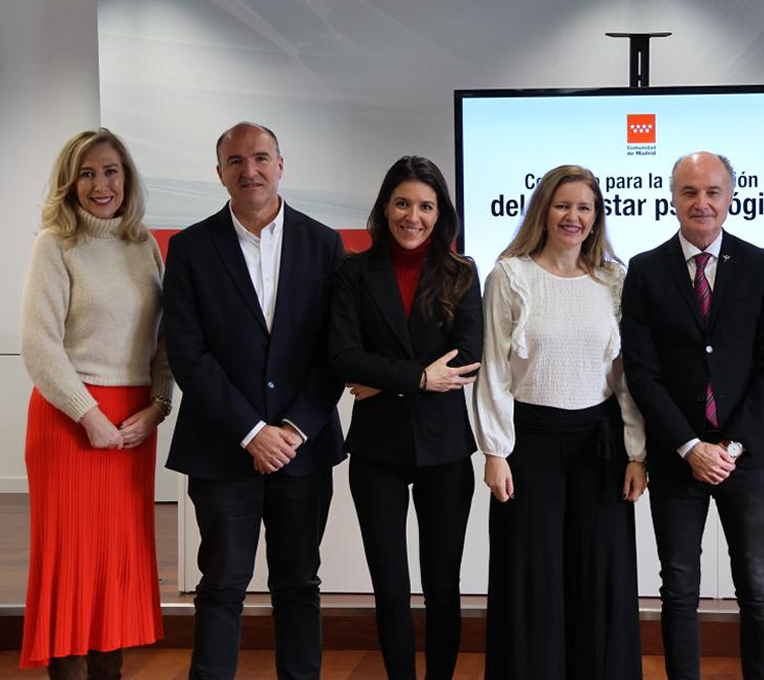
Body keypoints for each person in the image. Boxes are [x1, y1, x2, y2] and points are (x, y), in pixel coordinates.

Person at [162, 122, 346, 680]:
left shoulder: (324, 243)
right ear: (220, 173)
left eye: (261, 158)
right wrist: (251, 431)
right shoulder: (191, 248)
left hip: (302, 450)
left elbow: (336, 351)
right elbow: (187, 354)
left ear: (281, 165)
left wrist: (291, 428)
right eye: (236, 161)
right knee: (220, 585)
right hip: (222, 449)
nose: (250, 171)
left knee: (299, 584)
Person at [621, 151, 764, 680]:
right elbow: (641, 373)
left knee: (757, 588)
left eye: (713, 191)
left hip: (748, 457)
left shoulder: (763, 265)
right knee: (678, 589)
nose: (702, 203)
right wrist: (691, 448)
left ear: (730, 196)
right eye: (690, 192)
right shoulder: (645, 270)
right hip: (678, 458)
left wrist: (730, 448)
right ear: (672, 198)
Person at [473, 164, 647, 680]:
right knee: (533, 580)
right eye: (563, 205)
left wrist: (637, 453)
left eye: (585, 208)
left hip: (600, 444)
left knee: (600, 579)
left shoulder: (614, 280)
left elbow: (625, 378)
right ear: (543, 211)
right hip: (529, 444)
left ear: (597, 218)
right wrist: (495, 450)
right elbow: (495, 371)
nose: (574, 216)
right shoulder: (510, 276)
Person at [19, 128, 171, 679]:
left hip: (133, 424)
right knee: (71, 566)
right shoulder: (54, 243)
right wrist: (88, 416)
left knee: (115, 566)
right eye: (87, 173)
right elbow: (38, 345)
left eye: (110, 171)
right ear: (70, 182)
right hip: (70, 421)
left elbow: (163, 341)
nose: (100, 184)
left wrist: (157, 406)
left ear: (126, 177)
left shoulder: (143, 245)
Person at [329, 156, 482, 680]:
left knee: (443, 586)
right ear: (384, 207)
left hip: (444, 452)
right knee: (390, 586)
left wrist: (387, 378)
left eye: (425, 205)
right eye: (402, 203)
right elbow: (344, 357)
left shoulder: (462, 273)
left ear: (440, 214)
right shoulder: (352, 271)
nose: (412, 216)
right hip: (376, 453)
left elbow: (467, 357)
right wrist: (419, 377)